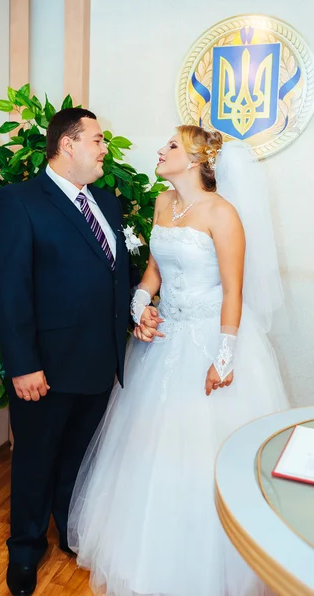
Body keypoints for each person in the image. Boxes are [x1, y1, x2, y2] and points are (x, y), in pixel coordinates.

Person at [68, 125, 289, 596]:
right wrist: (138, 306)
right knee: (151, 445)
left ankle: (206, 562)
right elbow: (153, 270)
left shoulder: (222, 214)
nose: (160, 150)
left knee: (200, 448)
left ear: (193, 160)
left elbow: (234, 291)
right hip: (163, 338)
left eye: (170, 145)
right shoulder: (163, 203)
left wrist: (225, 357)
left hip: (209, 341)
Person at [0, 108, 131, 596]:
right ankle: (25, 548)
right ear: (67, 145)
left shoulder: (107, 203)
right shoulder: (18, 202)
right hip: (44, 368)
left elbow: (114, 277)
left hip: (98, 361)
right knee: (34, 458)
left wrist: (133, 320)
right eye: (97, 139)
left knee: (77, 456)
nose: (104, 148)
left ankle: (70, 530)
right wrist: (24, 365)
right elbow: (9, 291)